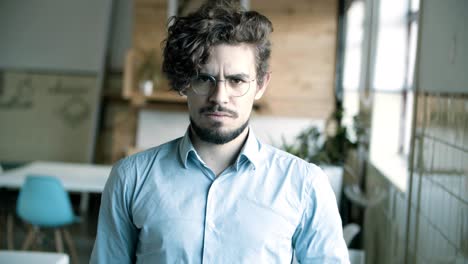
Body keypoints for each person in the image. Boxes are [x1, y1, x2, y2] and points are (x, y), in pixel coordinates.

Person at [90, 1, 349, 263]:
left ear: (260, 85)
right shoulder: (130, 178)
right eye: (204, 79)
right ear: (184, 83)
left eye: (237, 80)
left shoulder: (305, 185)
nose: (220, 97)